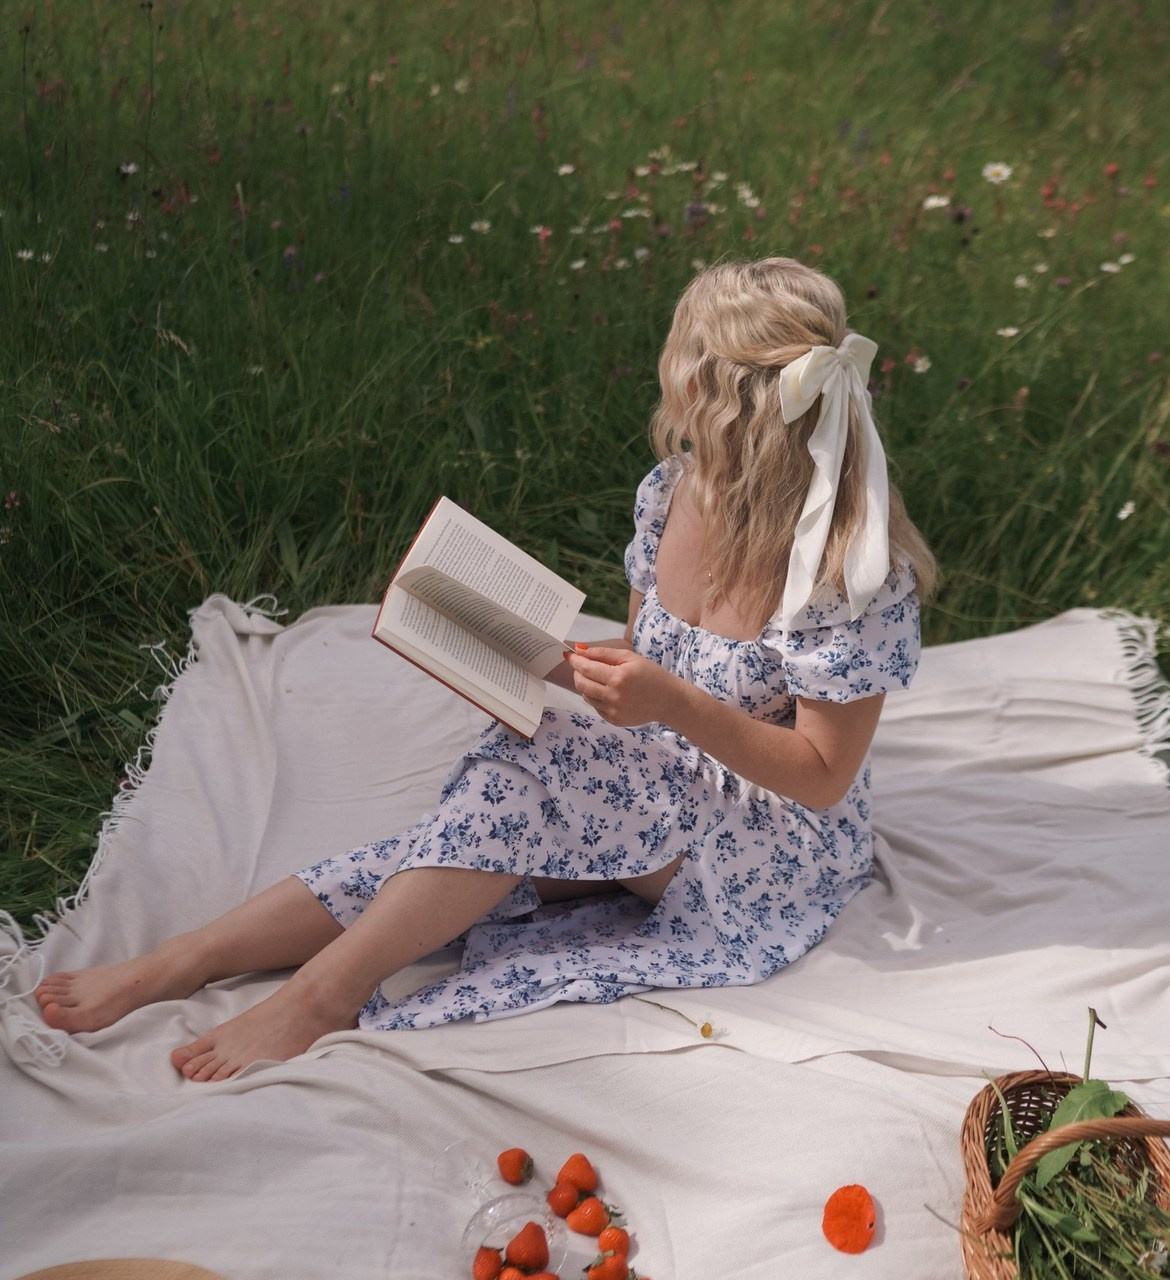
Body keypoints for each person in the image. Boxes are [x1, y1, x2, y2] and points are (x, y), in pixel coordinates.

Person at [36, 257, 936, 1082]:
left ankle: (318, 997)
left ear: (713, 388)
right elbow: (650, 662)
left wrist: (666, 703)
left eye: (681, 361)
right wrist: (548, 662)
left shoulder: (846, 566)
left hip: (765, 844)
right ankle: (185, 959)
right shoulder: (672, 491)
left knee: (521, 787)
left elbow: (821, 778)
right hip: (663, 779)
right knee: (456, 846)